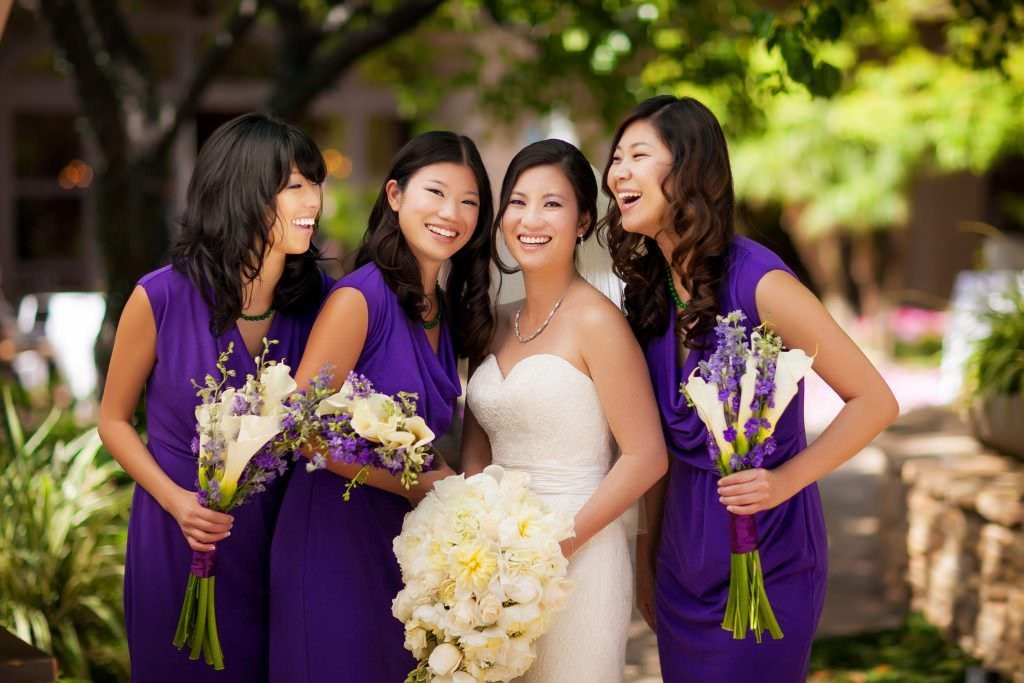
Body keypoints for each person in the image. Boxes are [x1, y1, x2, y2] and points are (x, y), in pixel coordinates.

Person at [603, 95, 900, 682]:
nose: (618, 173)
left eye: (639, 155)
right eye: (616, 158)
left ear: (688, 170)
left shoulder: (761, 281)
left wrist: (785, 480)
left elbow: (875, 400)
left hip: (769, 556)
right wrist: (647, 559)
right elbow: (659, 454)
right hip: (682, 563)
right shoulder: (648, 292)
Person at [98, 113, 330, 681]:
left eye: (314, 181)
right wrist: (177, 502)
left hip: (280, 541)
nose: (313, 199)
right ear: (241, 190)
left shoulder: (322, 301)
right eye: (293, 184)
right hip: (177, 533)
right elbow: (112, 421)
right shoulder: (160, 297)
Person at [268, 131, 494, 682]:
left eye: (468, 202)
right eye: (436, 193)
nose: (451, 213)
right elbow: (298, 429)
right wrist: (417, 485)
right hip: (332, 543)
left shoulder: (444, 308)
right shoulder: (359, 299)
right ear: (394, 195)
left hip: (401, 550)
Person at [461, 139, 668, 683]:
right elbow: (475, 452)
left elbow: (646, 457)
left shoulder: (598, 322)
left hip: (582, 556)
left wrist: (553, 548)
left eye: (552, 203)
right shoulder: (494, 322)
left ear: (581, 221)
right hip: (495, 563)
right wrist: (464, 544)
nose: (531, 219)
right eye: (518, 202)